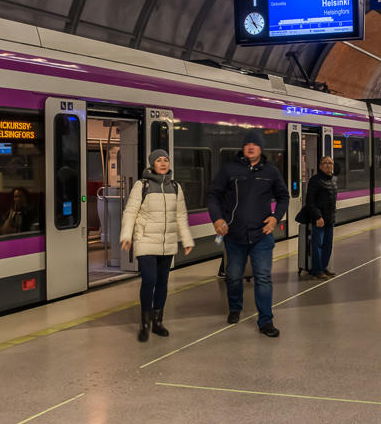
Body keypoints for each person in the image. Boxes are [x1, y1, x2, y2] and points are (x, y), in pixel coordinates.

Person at [208, 130, 289, 338]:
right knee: (234, 276)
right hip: (234, 235)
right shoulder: (229, 169)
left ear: (261, 148)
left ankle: (266, 320)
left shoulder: (271, 172)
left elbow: (283, 197)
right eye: (247, 144)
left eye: (255, 144)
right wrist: (217, 218)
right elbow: (213, 195)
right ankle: (235, 307)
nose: (250, 147)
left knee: (263, 277)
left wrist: (275, 218)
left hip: (261, 235)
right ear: (243, 148)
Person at [120, 150, 194, 342]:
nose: (163, 163)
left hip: (167, 243)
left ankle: (157, 322)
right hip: (145, 240)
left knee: (162, 282)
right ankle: (144, 324)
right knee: (149, 280)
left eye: (166, 160)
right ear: (152, 164)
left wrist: (186, 239)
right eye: (158, 160)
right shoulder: (141, 185)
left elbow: (180, 216)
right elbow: (130, 212)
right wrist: (126, 235)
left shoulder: (176, 187)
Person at [306, 155, 338, 279]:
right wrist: (318, 217)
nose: (328, 165)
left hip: (330, 219)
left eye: (330, 163)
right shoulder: (315, 180)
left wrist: (333, 216)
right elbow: (310, 202)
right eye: (325, 163)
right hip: (320, 219)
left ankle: (324, 267)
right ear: (320, 166)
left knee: (328, 245)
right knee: (317, 245)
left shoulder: (333, 180)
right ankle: (317, 269)